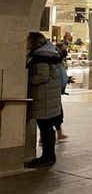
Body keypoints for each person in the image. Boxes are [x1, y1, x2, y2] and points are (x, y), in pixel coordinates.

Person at [25, 32, 63, 168]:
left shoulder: (41, 57)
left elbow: (43, 76)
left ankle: (47, 156)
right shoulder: (49, 53)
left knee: (45, 128)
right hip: (50, 97)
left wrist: (27, 81)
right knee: (47, 128)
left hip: (44, 97)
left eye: (28, 40)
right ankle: (49, 156)